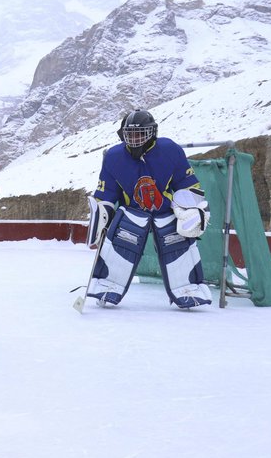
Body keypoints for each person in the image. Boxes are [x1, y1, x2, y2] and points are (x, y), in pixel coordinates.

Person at [84, 109, 212, 309]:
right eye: (130, 134)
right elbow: (106, 194)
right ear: (122, 134)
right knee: (121, 238)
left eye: (140, 133)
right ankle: (106, 285)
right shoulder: (113, 156)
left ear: (152, 132)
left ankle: (189, 289)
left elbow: (187, 185)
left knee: (177, 241)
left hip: (166, 211)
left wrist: (194, 210)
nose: (134, 139)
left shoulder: (170, 150)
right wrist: (101, 219)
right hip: (131, 213)